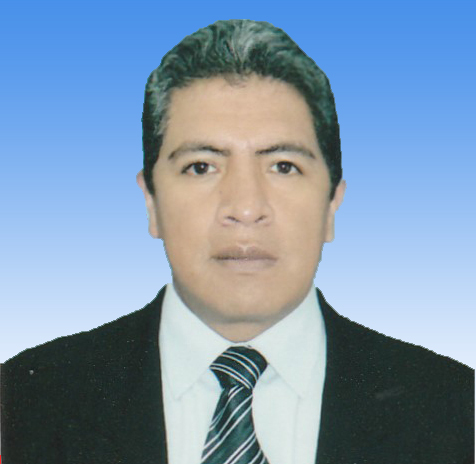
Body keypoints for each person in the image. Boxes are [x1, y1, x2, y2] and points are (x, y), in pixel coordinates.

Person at [0, 19, 473, 464]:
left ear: (332, 204)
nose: (245, 208)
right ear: (151, 203)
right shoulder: (24, 400)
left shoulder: (455, 408)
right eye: (201, 167)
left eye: (283, 166)